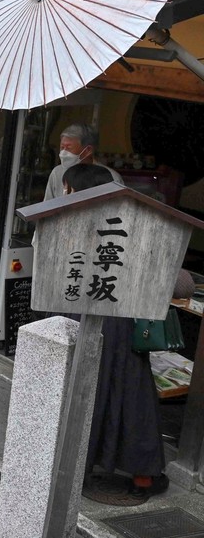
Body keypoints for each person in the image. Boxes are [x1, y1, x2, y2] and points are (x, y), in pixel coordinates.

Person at [64, 163, 170, 501]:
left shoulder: (68, 225)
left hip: (79, 321)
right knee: (131, 397)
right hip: (122, 324)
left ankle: (74, 469)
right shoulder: (132, 228)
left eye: (68, 189)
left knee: (80, 394)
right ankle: (141, 475)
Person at [44, 123, 123, 201]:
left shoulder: (110, 177)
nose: (63, 153)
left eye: (69, 148)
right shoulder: (57, 173)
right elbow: (46, 207)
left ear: (88, 150)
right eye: (62, 147)